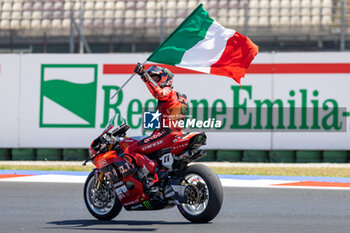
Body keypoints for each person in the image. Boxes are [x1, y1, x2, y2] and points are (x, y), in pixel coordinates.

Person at [123, 63, 188, 187]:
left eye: (156, 78)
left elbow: (159, 93)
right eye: (152, 78)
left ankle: (157, 171)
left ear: (166, 79)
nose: (154, 81)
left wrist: (144, 75)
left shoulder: (168, 92)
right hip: (178, 133)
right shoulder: (181, 97)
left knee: (130, 150)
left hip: (167, 134)